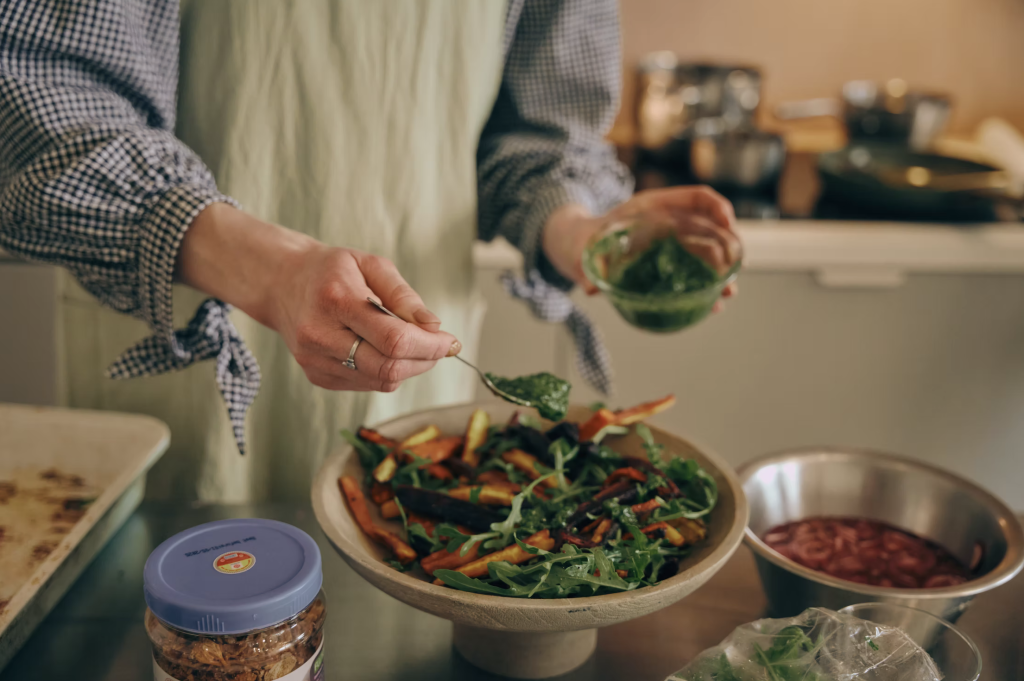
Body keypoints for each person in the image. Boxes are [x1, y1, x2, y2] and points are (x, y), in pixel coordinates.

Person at [0, 0, 740, 502]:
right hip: (180, 334)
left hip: (414, 363)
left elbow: (535, 134)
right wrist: (275, 272)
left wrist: (579, 230)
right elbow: (41, 91)